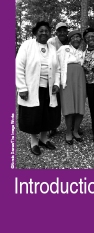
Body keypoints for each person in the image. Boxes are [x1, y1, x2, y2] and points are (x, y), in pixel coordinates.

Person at [16, 21, 60, 155]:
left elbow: (57, 69)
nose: (44, 33)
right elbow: (19, 66)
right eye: (41, 30)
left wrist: (57, 83)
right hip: (32, 88)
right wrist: (22, 87)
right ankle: (34, 141)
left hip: (49, 88)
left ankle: (44, 138)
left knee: (47, 114)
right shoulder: (27, 45)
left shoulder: (52, 48)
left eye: (46, 30)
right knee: (34, 115)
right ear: (35, 32)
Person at [57, 30, 86, 144]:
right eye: (73, 37)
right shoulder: (63, 49)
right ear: (69, 40)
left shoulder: (81, 52)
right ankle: (68, 132)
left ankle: (75, 131)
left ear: (81, 40)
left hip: (80, 80)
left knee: (79, 106)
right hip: (67, 80)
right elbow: (57, 64)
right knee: (69, 106)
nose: (76, 39)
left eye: (78, 37)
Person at [47, 22, 69, 137]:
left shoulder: (70, 41)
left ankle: (72, 126)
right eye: (59, 30)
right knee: (54, 103)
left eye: (64, 30)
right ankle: (52, 126)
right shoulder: (51, 41)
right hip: (55, 75)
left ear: (67, 32)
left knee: (69, 102)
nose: (62, 33)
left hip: (67, 76)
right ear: (56, 32)